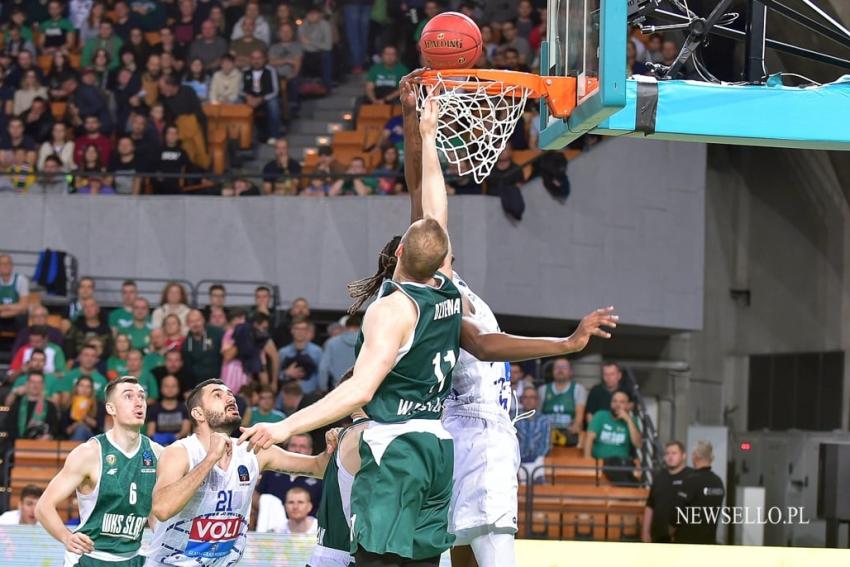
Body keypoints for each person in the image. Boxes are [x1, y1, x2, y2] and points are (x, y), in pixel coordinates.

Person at [240, 94, 618, 566]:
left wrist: (285, 425)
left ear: (403, 257)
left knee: (385, 559)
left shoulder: (407, 304)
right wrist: (424, 132)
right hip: (439, 444)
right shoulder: (444, 296)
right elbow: (433, 213)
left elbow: (361, 388)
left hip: (399, 446)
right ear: (441, 260)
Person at [143, 379, 335, 565]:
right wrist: (210, 458)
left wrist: (334, 447)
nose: (230, 399)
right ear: (198, 414)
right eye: (217, 395)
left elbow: (319, 468)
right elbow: (162, 509)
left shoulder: (253, 451)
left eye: (230, 394)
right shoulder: (180, 452)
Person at [36, 377, 162, 566]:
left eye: (141, 397)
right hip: (90, 557)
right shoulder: (89, 453)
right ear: (111, 408)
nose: (138, 402)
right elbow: (43, 507)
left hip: (134, 558)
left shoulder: (158, 454)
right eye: (128, 396)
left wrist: (162, 543)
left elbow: (154, 511)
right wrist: (66, 537)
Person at [254, 433, 324, 518]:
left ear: (310, 450)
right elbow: (257, 496)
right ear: (286, 449)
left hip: (309, 529)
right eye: (293, 445)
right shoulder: (271, 472)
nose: (297, 450)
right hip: (272, 529)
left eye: (302, 446)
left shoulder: (320, 477)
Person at [585, 389, 642, 484]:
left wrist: (628, 420)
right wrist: (587, 460)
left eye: (622, 402)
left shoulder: (632, 421)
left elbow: (638, 444)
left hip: (621, 463)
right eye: (614, 401)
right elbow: (589, 438)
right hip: (600, 462)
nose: (617, 404)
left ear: (628, 405)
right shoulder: (601, 415)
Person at [673, 442, 725, 544]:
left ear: (695, 456)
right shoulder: (718, 482)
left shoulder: (691, 481)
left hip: (687, 542)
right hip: (709, 541)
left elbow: (676, 515)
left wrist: (669, 534)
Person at [643, 440, 693, 543]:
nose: (670, 457)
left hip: (683, 538)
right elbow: (650, 505)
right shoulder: (659, 477)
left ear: (684, 456)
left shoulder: (692, 477)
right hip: (658, 537)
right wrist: (645, 531)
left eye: (674, 453)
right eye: (667, 454)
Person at [538, 358, 586, 446]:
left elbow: (579, 418)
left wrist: (574, 427)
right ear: (552, 371)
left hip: (569, 434)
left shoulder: (578, 389)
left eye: (564, 367)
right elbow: (537, 415)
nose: (560, 370)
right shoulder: (543, 390)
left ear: (571, 371)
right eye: (557, 367)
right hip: (546, 434)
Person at [242, 49, 281, 144]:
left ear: (264, 59)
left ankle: (274, 135)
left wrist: (261, 99)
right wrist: (247, 97)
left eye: (259, 58)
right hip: (249, 98)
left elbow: (275, 90)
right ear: (250, 60)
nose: (256, 61)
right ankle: (244, 137)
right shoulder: (245, 71)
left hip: (266, 98)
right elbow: (240, 89)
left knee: (273, 104)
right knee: (237, 103)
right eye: (254, 58)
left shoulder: (270, 70)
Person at [8, 371, 60, 441]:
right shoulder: (16, 404)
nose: (35, 385)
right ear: (27, 384)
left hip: (43, 446)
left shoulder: (50, 406)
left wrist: (49, 436)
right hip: (17, 445)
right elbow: (9, 427)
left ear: (43, 385)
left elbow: (55, 428)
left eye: (39, 382)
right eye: (33, 382)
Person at [515, 387, 551, 484]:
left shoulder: (544, 420)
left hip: (538, 460)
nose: (529, 400)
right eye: (525, 397)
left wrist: (534, 458)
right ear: (521, 400)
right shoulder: (514, 419)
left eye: (532, 397)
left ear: (537, 400)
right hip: (518, 461)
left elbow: (545, 444)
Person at [278, 319, 323, 395]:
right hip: (288, 395)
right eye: (297, 328)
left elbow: (321, 374)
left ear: (307, 331)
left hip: (310, 394)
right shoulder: (283, 352)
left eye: (303, 329)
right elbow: (277, 375)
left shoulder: (317, 351)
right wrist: (286, 373)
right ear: (292, 330)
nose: (300, 332)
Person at [318, 313, 361, 392]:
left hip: (337, 388)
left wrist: (323, 388)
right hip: (361, 388)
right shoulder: (367, 342)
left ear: (345, 327)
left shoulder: (331, 342)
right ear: (360, 327)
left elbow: (323, 368)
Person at [146, 374, 191, 446]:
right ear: (161, 388)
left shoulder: (184, 408)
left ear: (178, 388)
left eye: (173, 386)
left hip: (180, 448)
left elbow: (186, 431)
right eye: (166, 386)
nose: (170, 389)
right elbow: (150, 433)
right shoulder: (154, 409)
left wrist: (174, 437)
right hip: (159, 448)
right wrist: (159, 439)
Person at [182, 309, 224, 384]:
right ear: (187, 324)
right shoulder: (186, 344)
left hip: (220, 381)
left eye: (198, 320)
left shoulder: (218, 333)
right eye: (191, 321)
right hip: (198, 385)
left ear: (203, 320)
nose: (195, 324)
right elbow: (187, 369)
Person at [61, 375, 103, 441]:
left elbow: (100, 428)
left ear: (92, 390)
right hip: (71, 437)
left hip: (93, 439)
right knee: (80, 429)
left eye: (88, 387)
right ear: (76, 388)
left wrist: (85, 418)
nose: (84, 389)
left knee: (82, 429)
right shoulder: (69, 404)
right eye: (81, 386)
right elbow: (65, 431)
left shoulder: (98, 404)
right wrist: (77, 424)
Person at [586, 361, 627, 425]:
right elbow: (590, 414)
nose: (609, 377)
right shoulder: (596, 390)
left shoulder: (626, 391)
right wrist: (592, 430)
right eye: (606, 374)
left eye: (612, 374)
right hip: (599, 428)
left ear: (619, 375)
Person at [0, 253, 30, 332]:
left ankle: (20, 343)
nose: (6, 266)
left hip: (16, 318)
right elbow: (19, 306)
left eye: (8, 263)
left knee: (22, 318)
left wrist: (3, 309)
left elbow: (23, 306)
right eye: (2, 264)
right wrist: (15, 307)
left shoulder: (21, 280)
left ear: (12, 266)